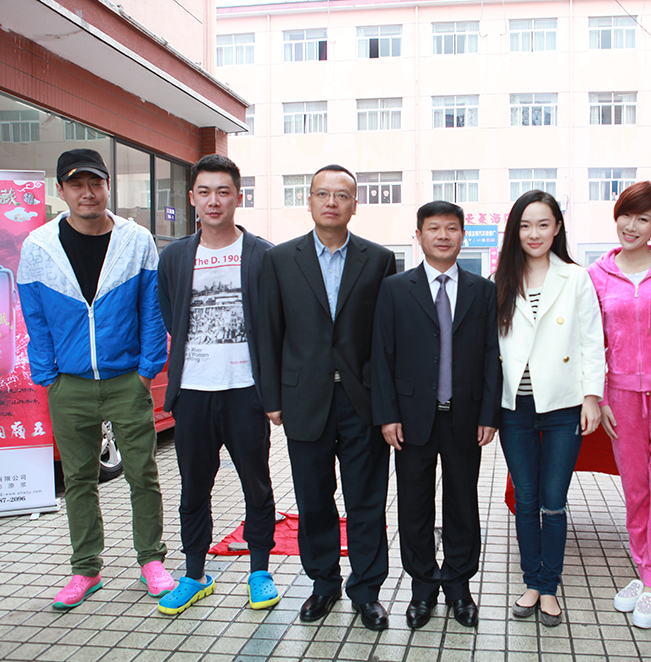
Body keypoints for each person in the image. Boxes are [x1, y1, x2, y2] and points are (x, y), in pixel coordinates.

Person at [17, 148, 172, 609]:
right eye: (76, 184)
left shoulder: (136, 240)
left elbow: (152, 310)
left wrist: (147, 371)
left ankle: (151, 560)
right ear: (61, 190)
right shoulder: (39, 246)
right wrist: (49, 378)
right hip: (68, 384)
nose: (87, 193)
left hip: (127, 380)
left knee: (143, 473)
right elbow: (35, 318)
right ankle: (86, 568)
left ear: (108, 186)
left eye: (96, 183)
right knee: (79, 478)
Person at [256, 164, 396, 631]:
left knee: (366, 501)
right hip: (304, 398)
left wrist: (388, 402)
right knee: (313, 499)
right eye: (322, 193)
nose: (331, 202)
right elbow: (268, 330)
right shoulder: (280, 259)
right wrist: (272, 396)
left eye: (342, 195)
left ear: (355, 205)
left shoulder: (378, 259)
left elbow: (386, 338)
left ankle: (367, 591)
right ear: (309, 201)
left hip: (363, 400)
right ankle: (323, 583)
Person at [156, 154, 277, 615]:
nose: (213, 201)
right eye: (204, 192)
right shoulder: (175, 257)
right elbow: (171, 313)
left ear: (238, 197)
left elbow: (275, 322)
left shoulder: (263, 254)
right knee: (193, 488)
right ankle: (194, 573)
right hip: (193, 392)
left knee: (256, 484)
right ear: (191, 197)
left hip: (246, 391)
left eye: (223, 192)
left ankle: (260, 571)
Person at [371, 201, 501, 629]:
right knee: (414, 505)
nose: (443, 236)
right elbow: (382, 355)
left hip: (465, 416)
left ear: (463, 235)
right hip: (411, 419)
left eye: (451, 228)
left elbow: (491, 355)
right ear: (419, 235)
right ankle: (423, 587)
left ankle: (459, 586)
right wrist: (387, 414)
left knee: (463, 503)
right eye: (433, 228)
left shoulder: (483, 290)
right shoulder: (395, 288)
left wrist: (489, 413)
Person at [494, 191, 604, 627]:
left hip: (562, 404)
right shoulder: (502, 278)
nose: (534, 234)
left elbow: (592, 340)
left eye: (543, 224)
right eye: (525, 225)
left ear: (557, 227)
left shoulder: (576, 278)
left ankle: (550, 586)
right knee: (526, 500)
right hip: (515, 406)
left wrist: (592, 396)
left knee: (553, 502)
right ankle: (531, 582)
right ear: (514, 231)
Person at [587, 181, 651, 629]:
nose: (631, 226)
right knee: (635, 489)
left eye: (643, 219)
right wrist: (602, 395)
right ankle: (644, 569)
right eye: (626, 215)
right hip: (621, 397)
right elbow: (592, 342)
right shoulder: (597, 274)